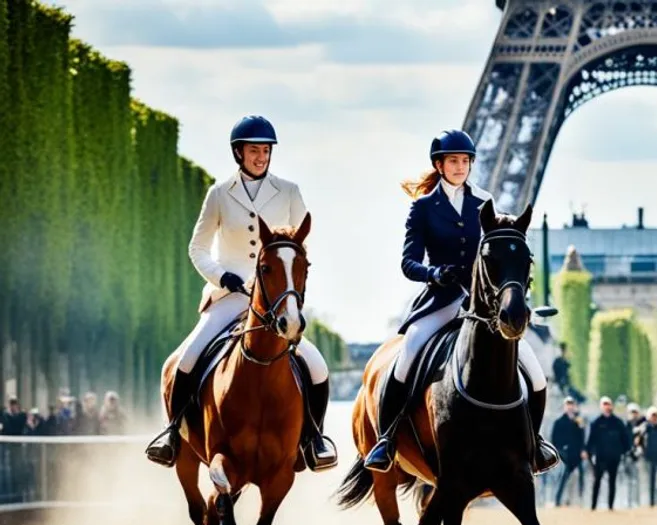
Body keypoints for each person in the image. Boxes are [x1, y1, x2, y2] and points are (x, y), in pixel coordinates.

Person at [144, 115, 335, 471]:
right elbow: (197, 248)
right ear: (239, 153)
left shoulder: (290, 191)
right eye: (253, 150)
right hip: (229, 296)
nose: (260, 157)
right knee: (186, 359)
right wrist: (223, 277)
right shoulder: (219, 194)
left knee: (318, 367)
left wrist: (290, 285)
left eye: (265, 150)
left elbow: (300, 247)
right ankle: (172, 433)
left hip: (275, 298)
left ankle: (315, 439)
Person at [363, 129, 558, 475]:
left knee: (534, 372)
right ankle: (386, 438)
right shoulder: (423, 208)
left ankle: (535, 441)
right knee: (407, 355)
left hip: (482, 304)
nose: (459, 166)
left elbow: (502, 253)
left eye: (465, 161)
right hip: (440, 301)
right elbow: (409, 263)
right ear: (439, 165)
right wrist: (436, 273)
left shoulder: (487, 204)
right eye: (453, 161)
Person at [587, 396, 632, 510]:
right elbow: (591, 440)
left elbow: (625, 439)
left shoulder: (618, 422)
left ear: (612, 406)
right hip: (600, 457)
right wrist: (588, 452)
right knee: (597, 481)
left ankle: (610, 506)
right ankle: (593, 506)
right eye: (605, 404)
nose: (607, 406)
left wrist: (623, 452)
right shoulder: (596, 423)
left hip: (614, 457)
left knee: (613, 481)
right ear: (601, 406)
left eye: (609, 404)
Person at [552, 397, 587, 506]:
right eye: (568, 404)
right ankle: (558, 499)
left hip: (577, 453)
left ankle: (581, 498)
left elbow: (582, 436)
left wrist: (583, 450)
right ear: (564, 406)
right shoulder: (559, 421)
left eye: (571, 404)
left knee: (581, 475)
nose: (570, 406)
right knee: (564, 476)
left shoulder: (578, 420)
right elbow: (554, 439)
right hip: (565, 454)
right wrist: (560, 451)